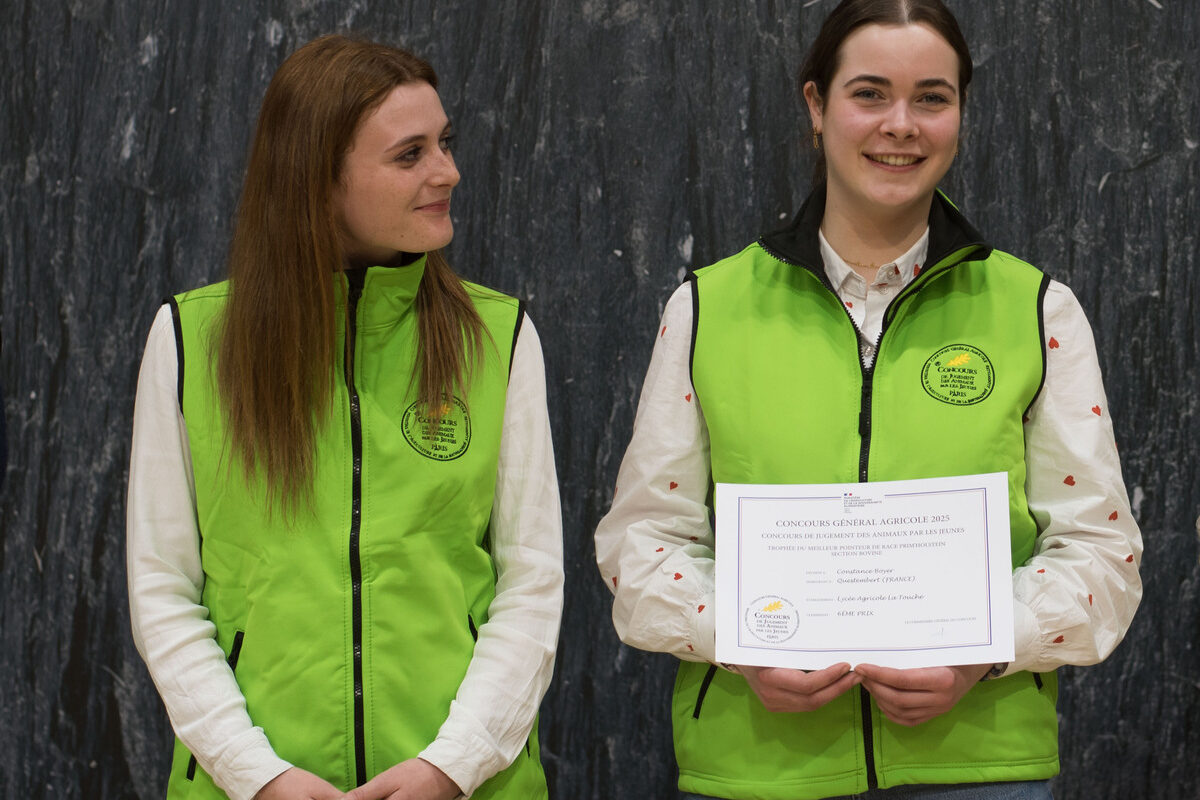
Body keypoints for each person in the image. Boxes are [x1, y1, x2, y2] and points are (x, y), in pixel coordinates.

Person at [594, 1, 1142, 798]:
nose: (901, 125)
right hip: (759, 767)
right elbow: (643, 539)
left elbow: (1103, 550)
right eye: (869, 94)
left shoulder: (1037, 310)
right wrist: (740, 641)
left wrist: (983, 648)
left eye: (932, 98)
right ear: (816, 107)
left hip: (979, 768)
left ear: (960, 113)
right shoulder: (709, 307)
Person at [127, 35, 562, 800]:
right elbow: (163, 589)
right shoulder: (192, 342)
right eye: (410, 154)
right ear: (317, 180)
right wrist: (258, 775)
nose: (448, 172)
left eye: (446, 143)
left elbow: (531, 584)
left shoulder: (497, 337)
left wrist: (452, 765)